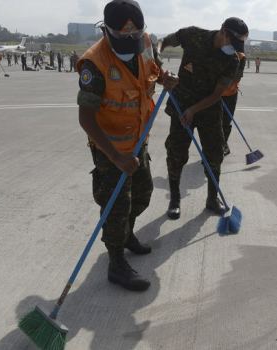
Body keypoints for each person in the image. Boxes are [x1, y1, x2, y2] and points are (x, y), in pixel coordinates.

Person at [77, 0, 177, 292]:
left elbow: (154, 68)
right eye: (123, 37)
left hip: (138, 139)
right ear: (106, 30)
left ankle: (127, 234)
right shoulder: (95, 64)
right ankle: (116, 262)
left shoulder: (144, 42)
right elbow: (86, 118)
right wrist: (116, 157)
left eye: (135, 35)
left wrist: (165, 77)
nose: (131, 41)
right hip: (110, 148)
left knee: (143, 194)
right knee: (116, 206)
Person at [159, 17, 248, 220]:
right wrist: (157, 58)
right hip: (180, 105)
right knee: (176, 153)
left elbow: (217, 94)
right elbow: (163, 41)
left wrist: (194, 110)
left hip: (208, 109)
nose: (234, 49)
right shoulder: (193, 35)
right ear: (223, 32)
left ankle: (212, 198)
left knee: (214, 153)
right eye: (232, 43)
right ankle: (174, 199)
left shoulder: (233, 60)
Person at [221, 51, 246, 156]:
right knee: (213, 121)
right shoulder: (216, 50)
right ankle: (213, 146)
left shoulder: (241, 57)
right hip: (214, 94)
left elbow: (237, 77)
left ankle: (223, 144)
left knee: (226, 121)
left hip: (230, 94)